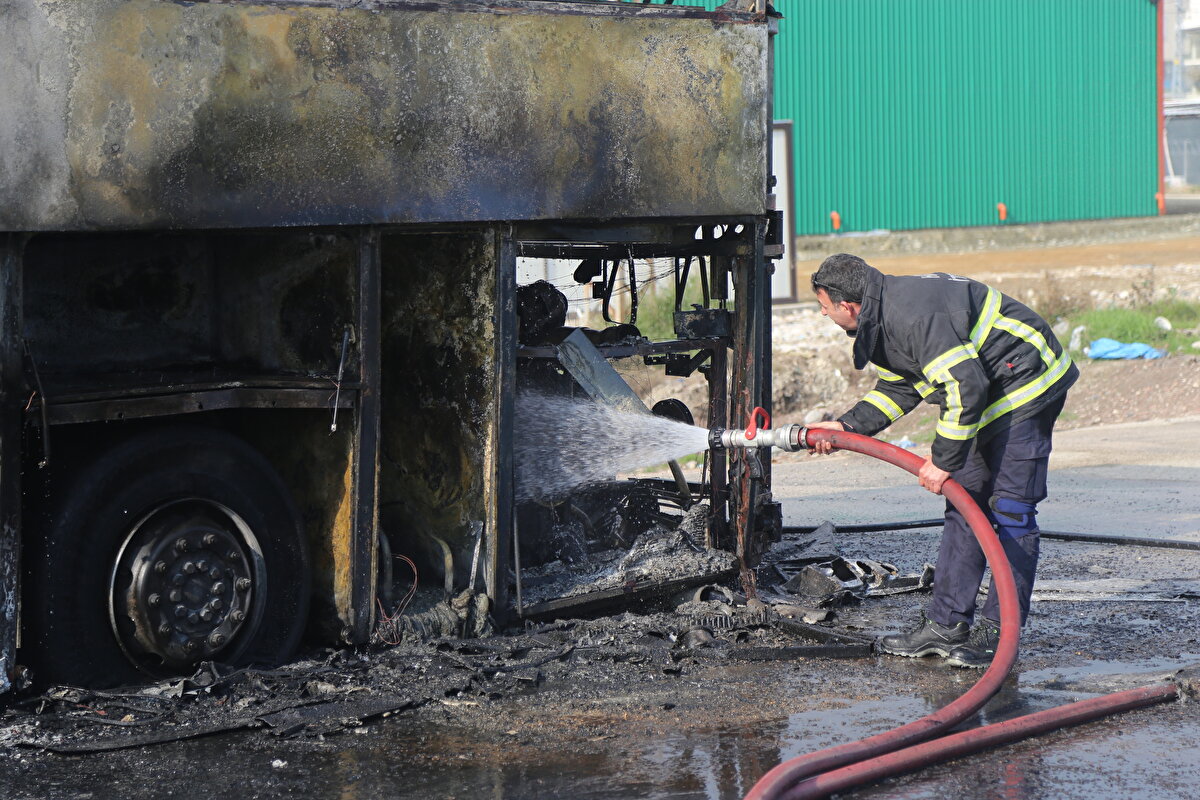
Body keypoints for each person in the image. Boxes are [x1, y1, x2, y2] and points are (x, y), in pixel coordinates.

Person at [807, 253, 1077, 668]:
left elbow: (965, 387)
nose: (824, 315)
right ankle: (947, 623)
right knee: (966, 506)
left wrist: (943, 459)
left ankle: (998, 633)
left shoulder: (911, 316)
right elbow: (901, 388)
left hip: (1026, 383)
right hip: (988, 390)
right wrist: (847, 427)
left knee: (1010, 510)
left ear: (848, 305)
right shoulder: (884, 316)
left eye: (825, 308)